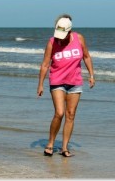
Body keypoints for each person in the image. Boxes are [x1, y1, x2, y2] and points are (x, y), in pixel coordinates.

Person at [37, 14, 95, 157]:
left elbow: (86, 56)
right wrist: (40, 84)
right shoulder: (52, 42)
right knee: (60, 113)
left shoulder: (79, 38)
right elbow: (45, 64)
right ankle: (50, 143)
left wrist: (91, 75)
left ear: (70, 31)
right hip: (57, 81)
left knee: (71, 115)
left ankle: (64, 148)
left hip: (75, 81)